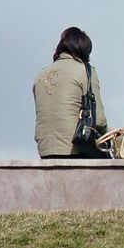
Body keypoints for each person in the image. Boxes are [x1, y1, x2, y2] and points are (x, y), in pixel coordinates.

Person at [33, 27, 109, 158]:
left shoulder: (40, 75)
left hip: (45, 151)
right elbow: (99, 120)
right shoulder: (86, 71)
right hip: (77, 149)